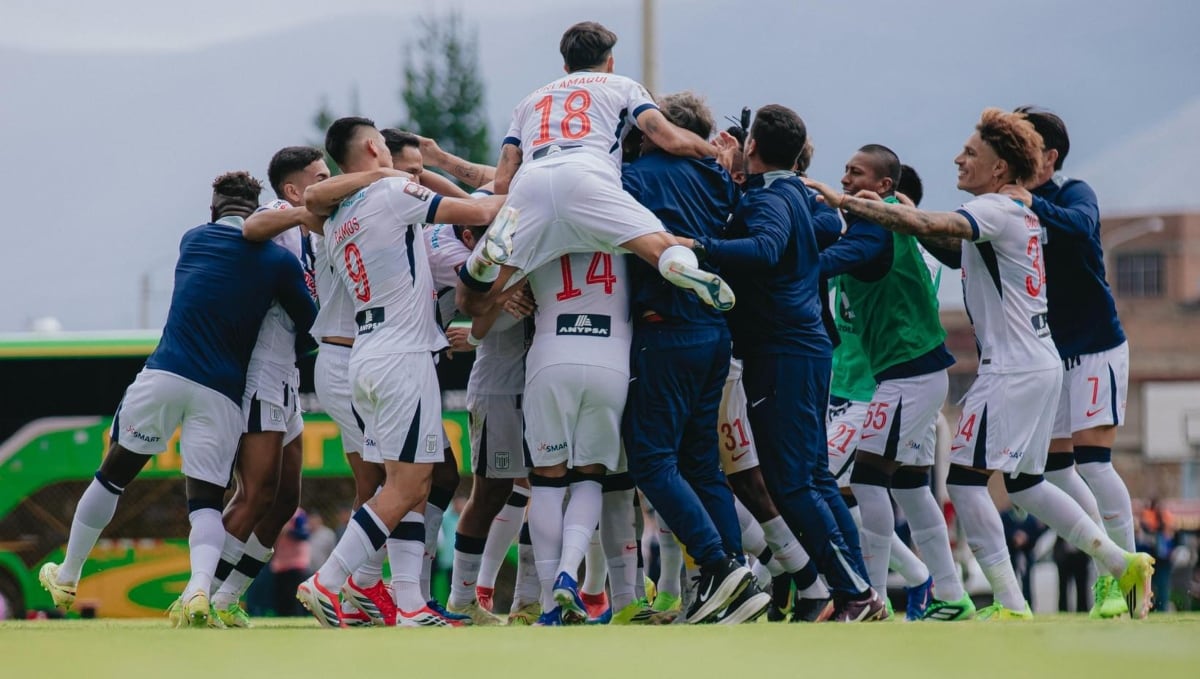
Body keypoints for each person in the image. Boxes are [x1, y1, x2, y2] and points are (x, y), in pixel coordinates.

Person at [804, 107, 1156, 620]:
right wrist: (906, 214)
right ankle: (1121, 562)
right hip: (1036, 364)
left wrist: (847, 202)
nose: (958, 158)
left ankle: (1008, 603)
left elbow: (931, 221)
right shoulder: (1007, 214)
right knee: (1026, 484)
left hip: (1012, 370)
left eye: (970, 153)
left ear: (998, 168)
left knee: (967, 485)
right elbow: (947, 242)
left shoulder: (998, 209)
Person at [39, 171, 317, 627]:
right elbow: (310, 323)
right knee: (206, 504)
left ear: (213, 210)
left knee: (112, 477)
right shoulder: (278, 262)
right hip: (224, 391)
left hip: (166, 372)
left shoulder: (192, 240)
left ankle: (68, 575)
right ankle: (199, 593)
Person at [293, 116, 502, 628]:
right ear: (372, 146)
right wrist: (434, 174)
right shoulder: (390, 194)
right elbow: (481, 211)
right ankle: (329, 580)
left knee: (414, 481)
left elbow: (317, 205)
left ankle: (408, 604)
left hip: (368, 353)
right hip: (401, 355)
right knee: (409, 488)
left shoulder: (341, 213)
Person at [678, 104, 883, 622]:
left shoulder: (771, 197)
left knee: (792, 483)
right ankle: (859, 593)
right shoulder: (790, 191)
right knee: (812, 479)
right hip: (804, 346)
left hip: (783, 350)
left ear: (752, 148)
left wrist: (701, 245)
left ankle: (854, 592)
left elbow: (766, 248)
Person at [457, 21, 733, 327]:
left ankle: (485, 264)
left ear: (565, 65)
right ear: (610, 62)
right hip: (588, 176)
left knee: (472, 303)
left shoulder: (528, 102)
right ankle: (679, 265)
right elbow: (669, 137)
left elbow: (503, 180)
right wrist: (715, 153)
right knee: (663, 248)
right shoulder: (623, 86)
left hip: (530, 183)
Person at [621, 91, 769, 625]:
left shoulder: (637, 177)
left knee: (651, 460)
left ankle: (718, 567)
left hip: (666, 329)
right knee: (701, 464)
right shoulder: (715, 177)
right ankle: (733, 582)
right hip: (714, 333)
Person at [820, 145, 971, 621]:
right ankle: (950, 592)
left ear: (887, 188)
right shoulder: (883, 223)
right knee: (909, 487)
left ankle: (873, 598)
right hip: (908, 375)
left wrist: (835, 209)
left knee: (864, 482)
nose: (845, 178)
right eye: (844, 171)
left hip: (903, 377)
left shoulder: (882, 223)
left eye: (856, 173)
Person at [1001, 106, 1137, 619]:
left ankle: (1119, 581)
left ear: (1048, 156)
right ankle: (1115, 560)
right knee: (1055, 472)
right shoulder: (1005, 204)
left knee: (1094, 465)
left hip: (1097, 346)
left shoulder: (1072, 194)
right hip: (1046, 356)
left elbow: (1080, 228)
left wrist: (1031, 202)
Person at [209, 146, 327, 628]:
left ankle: (225, 598)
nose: (331, 182)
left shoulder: (315, 234)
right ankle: (200, 593)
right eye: (321, 177)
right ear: (294, 189)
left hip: (288, 378)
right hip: (259, 373)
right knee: (253, 494)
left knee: (285, 499)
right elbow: (252, 227)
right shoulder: (278, 214)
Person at [271, 509, 312, 617]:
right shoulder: (275, 513)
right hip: (280, 564)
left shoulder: (298, 515)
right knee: (281, 597)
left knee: (295, 597)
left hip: (296, 563)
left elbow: (304, 535)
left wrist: (289, 531)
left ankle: (298, 617)